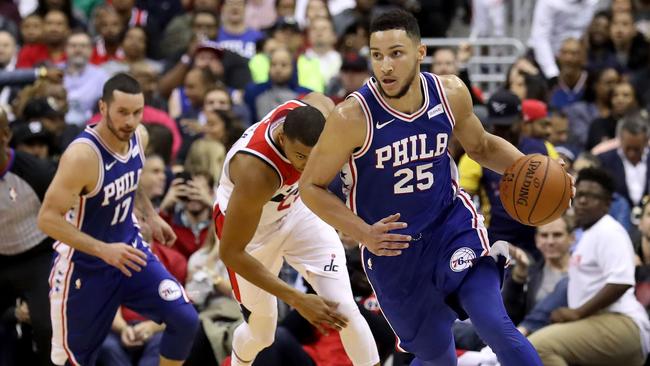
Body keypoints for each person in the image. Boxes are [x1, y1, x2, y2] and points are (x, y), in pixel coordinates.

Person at [299, 9, 544, 365]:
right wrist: (363, 232)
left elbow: (483, 147)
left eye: (396, 53)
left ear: (420, 52)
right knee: (437, 356)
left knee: (495, 325)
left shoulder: (449, 92)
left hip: (450, 226)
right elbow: (311, 187)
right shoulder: (351, 117)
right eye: (377, 55)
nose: (385, 66)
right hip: (393, 253)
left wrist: (536, 169)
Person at [37, 73, 199, 366]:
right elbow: (47, 220)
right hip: (83, 269)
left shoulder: (139, 136)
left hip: (129, 252)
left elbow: (131, 177)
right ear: (103, 108)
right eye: (122, 112)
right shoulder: (82, 156)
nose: (130, 121)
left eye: (136, 112)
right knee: (71, 361)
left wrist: (150, 215)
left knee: (185, 319)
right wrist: (103, 250)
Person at [214, 92, 380, 366]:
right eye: (301, 156)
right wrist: (299, 300)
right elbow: (231, 253)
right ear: (281, 139)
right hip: (250, 235)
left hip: (296, 212)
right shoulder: (256, 172)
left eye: (314, 156)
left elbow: (334, 109)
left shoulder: (320, 111)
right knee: (262, 334)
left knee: (344, 310)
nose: (307, 165)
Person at [528, 167, 650, 365]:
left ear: (607, 204)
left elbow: (621, 282)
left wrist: (577, 313)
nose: (582, 201)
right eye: (580, 194)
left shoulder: (609, 230)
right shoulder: (588, 234)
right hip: (598, 322)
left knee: (539, 347)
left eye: (592, 196)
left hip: (621, 321)